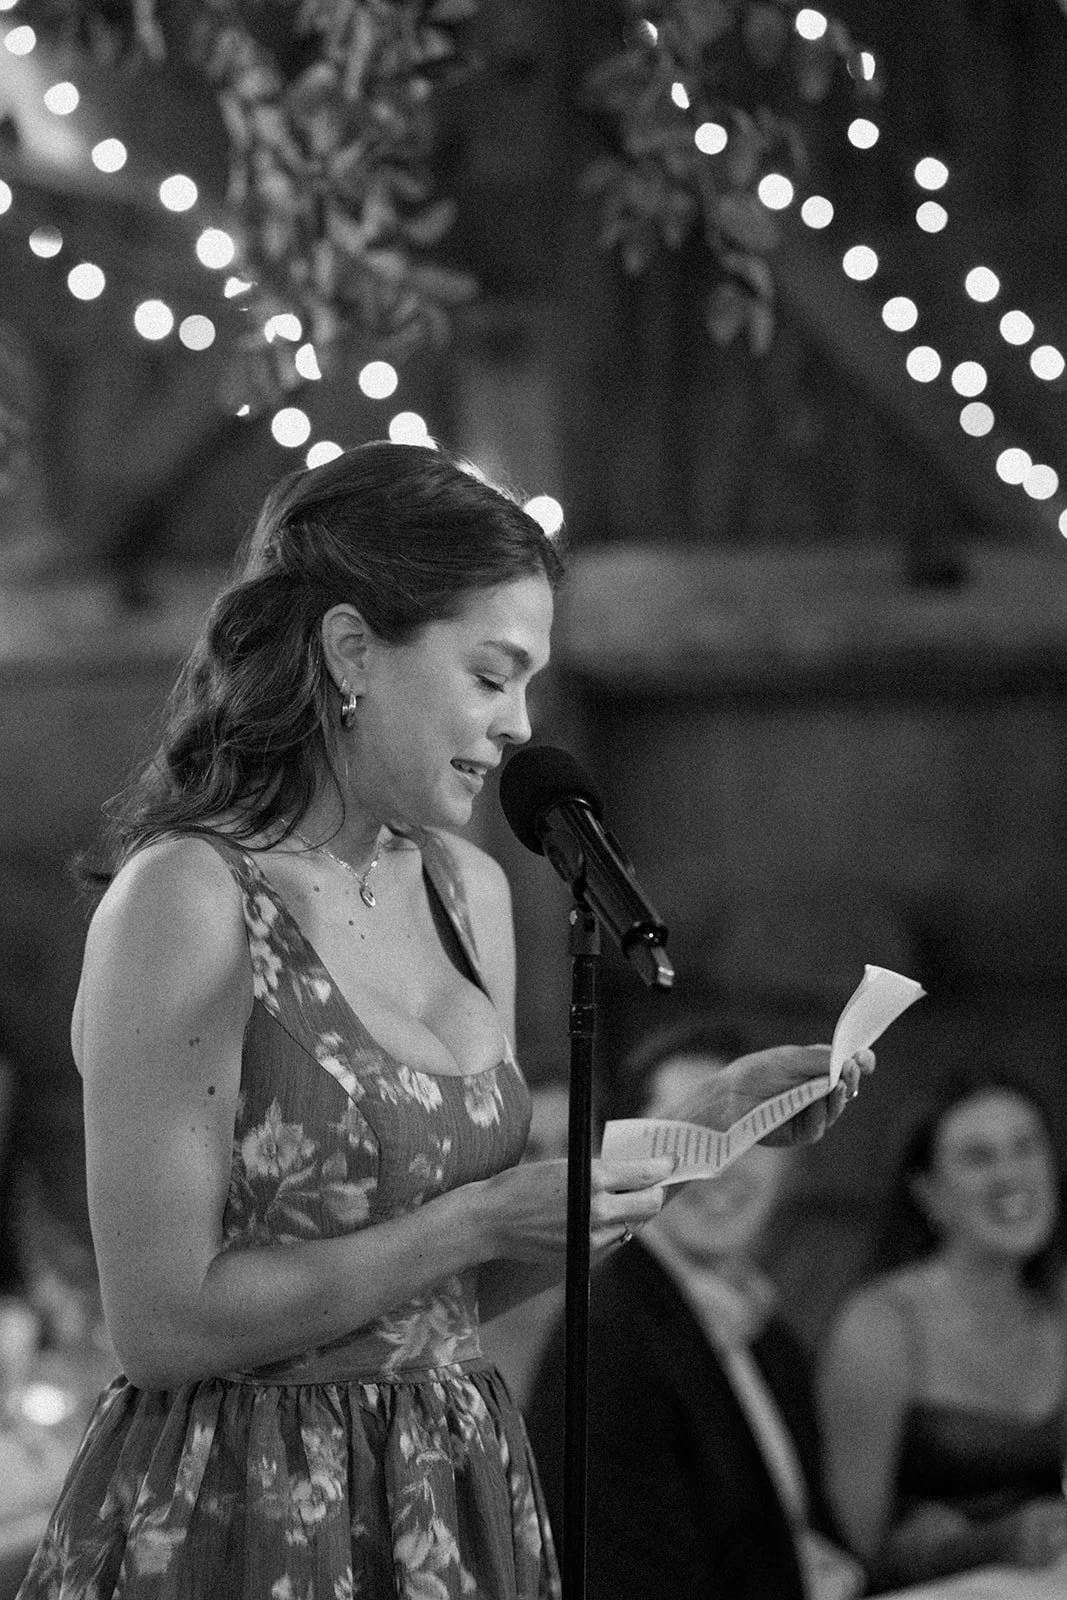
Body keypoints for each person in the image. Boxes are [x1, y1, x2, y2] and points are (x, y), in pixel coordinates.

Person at [15, 440, 873, 1600]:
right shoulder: (189, 896)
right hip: (249, 1506)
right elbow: (160, 1325)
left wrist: (700, 1135)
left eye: (529, 683)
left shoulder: (468, 890)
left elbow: (446, 1295)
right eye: (489, 674)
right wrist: (469, 1222)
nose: (520, 724)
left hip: (445, 1489)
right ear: (351, 653)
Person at [526, 1015, 867, 1600]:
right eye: (690, 1137)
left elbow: (816, 1543)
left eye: (750, 1135)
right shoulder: (609, 1336)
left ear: (792, 1160)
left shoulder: (772, 1340)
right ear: (623, 1155)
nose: (719, 1167)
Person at [819, 1071, 1067, 1591]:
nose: (1011, 1175)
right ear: (928, 1192)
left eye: (1026, 1148)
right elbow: (845, 1556)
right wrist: (990, 1543)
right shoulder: (881, 1325)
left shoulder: (1058, 1304)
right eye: (979, 1157)